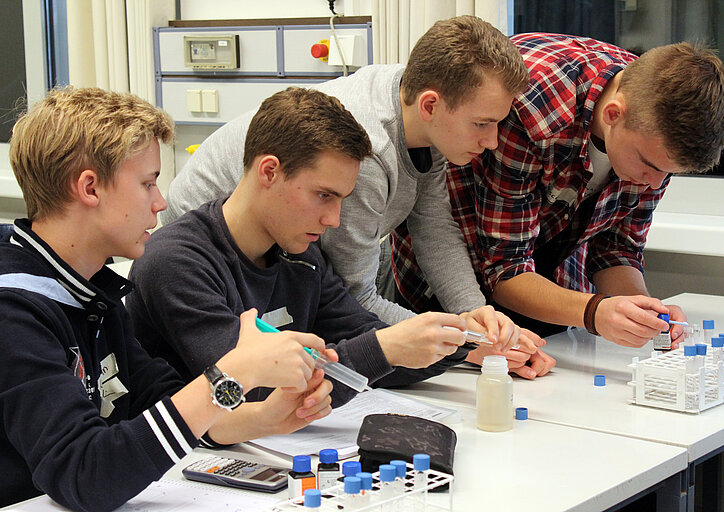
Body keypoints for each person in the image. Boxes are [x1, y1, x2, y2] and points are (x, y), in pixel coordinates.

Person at [159, 16, 554, 378]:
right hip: (219, 252)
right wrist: (464, 344)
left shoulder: (424, 112)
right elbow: (356, 299)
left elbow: (434, 227)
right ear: (431, 105)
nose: (492, 141)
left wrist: (476, 317)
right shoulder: (365, 155)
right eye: (482, 123)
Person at [0, 87, 337, 510]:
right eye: (147, 183)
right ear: (90, 188)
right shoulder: (14, 309)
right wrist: (232, 374)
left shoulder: (91, 290)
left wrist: (261, 418)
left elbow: (159, 400)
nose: (160, 202)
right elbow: (85, 473)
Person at [127, 87, 531, 410]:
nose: (334, 219)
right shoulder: (176, 263)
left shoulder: (301, 256)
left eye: (341, 199)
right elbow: (251, 393)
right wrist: (386, 348)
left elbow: (366, 339)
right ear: (269, 171)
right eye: (324, 195)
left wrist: (458, 338)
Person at [391, 33, 724, 348]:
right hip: (451, 281)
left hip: (548, 285)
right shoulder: (533, 109)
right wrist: (595, 312)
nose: (655, 183)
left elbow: (616, 249)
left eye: (669, 173)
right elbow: (504, 268)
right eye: (650, 165)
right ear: (613, 114)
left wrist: (642, 312)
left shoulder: (656, 121)